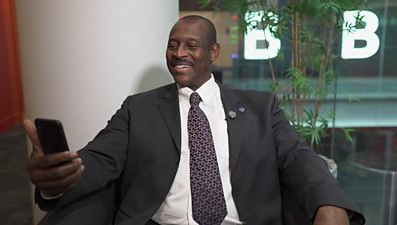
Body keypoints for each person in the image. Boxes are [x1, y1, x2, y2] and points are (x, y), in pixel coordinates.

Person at [24, 15, 365, 225]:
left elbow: (298, 157)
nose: (179, 53)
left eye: (191, 45)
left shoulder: (261, 107)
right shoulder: (138, 108)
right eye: (173, 45)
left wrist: (330, 204)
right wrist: (60, 178)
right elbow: (100, 158)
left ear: (213, 53)